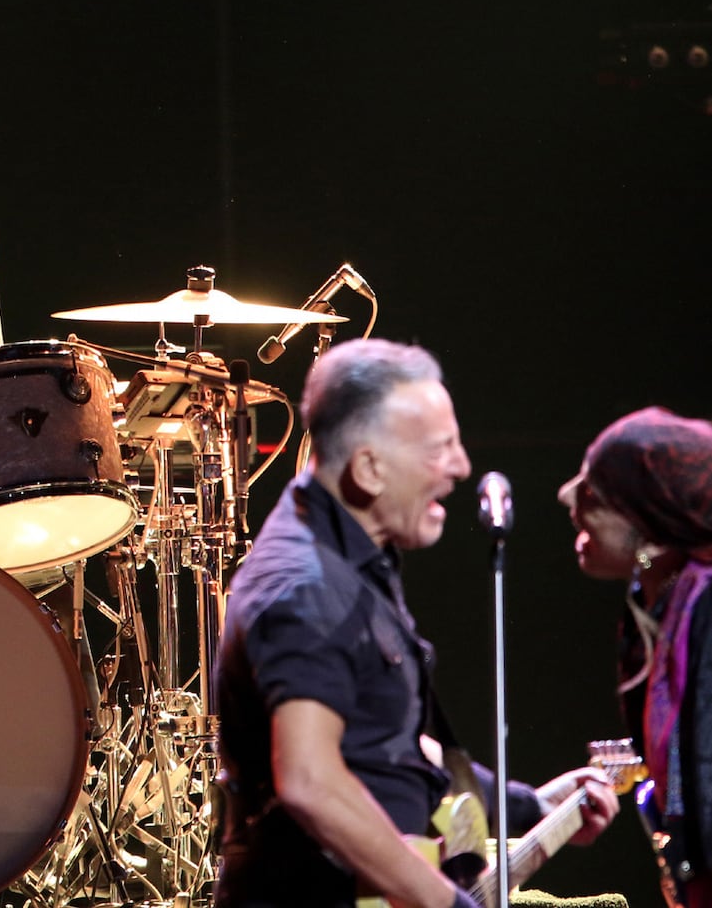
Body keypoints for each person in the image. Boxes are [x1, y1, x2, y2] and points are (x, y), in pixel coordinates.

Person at [215, 338, 618, 908]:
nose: (461, 466)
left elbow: (386, 747)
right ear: (369, 467)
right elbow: (309, 780)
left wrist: (528, 805)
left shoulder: (352, 557)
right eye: (440, 449)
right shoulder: (306, 586)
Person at [559, 407, 712, 908]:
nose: (568, 498)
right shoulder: (665, 609)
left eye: (593, 491)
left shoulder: (703, 606)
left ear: (649, 522)